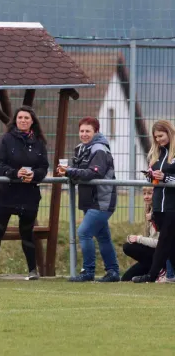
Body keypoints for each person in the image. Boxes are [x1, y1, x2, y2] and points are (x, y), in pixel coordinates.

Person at [0, 106, 49, 282]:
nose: (23, 120)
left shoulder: (39, 142)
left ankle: (33, 270)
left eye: (26, 118)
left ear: (32, 121)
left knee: (27, 233)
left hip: (29, 194)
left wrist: (35, 175)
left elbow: (44, 167)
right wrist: (14, 173)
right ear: (15, 120)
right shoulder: (6, 139)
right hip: (6, 194)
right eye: (20, 118)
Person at [57, 116, 119, 282]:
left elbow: (94, 173)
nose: (84, 134)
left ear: (96, 132)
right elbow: (79, 172)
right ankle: (113, 272)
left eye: (88, 131)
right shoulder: (81, 148)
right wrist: (67, 172)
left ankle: (88, 271)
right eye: (82, 131)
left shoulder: (99, 149)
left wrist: (70, 171)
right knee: (103, 236)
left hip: (102, 200)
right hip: (89, 200)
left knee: (84, 233)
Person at [133, 120, 175, 283]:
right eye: (155, 137)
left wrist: (165, 177)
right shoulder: (157, 154)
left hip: (172, 207)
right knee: (171, 246)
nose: (158, 140)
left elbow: (169, 178)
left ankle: (151, 275)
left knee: (164, 242)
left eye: (161, 136)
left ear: (169, 133)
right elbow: (157, 180)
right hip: (159, 207)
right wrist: (151, 176)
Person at [121, 187, 158, 281]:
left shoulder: (160, 213)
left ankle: (161, 271)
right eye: (144, 193)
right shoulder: (149, 211)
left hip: (162, 255)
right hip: (152, 255)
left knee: (128, 247)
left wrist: (138, 239)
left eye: (149, 193)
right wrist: (134, 238)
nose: (146, 197)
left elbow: (160, 243)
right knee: (125, 278)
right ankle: (153, 272)